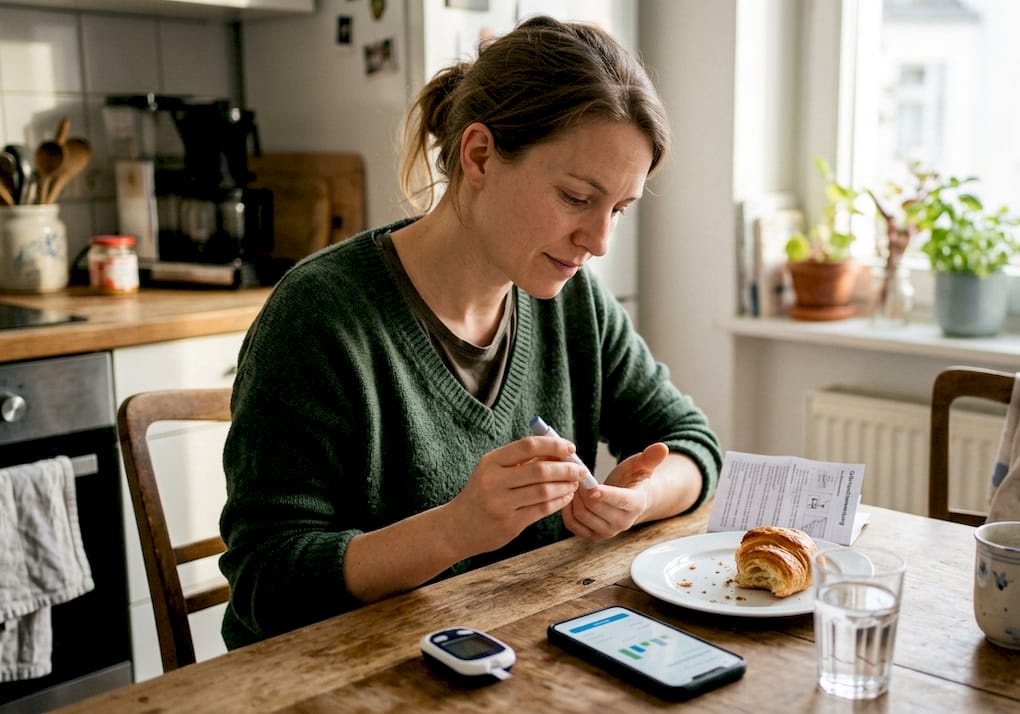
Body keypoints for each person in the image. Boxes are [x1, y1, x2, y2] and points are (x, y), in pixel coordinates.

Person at [218, 15, 722, 649]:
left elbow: (693, 445)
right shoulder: (320, 315)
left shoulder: (574, 301)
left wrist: (636, 502)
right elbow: (267, 582)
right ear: (479, 155)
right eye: (575, 197)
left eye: (618, 209)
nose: (597, 241)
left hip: (514, 654)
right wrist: (456, 529)